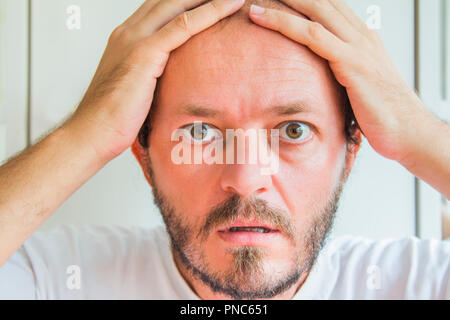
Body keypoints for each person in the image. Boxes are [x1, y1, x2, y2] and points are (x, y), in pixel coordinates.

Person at [0, 0, 449, 299]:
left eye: (293, 130)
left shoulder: (420, 284)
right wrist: (88, 130)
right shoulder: (54, 280)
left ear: (350, 150)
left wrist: (415, 131)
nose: (245, 176)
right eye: (199, 132)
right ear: (143, 153)